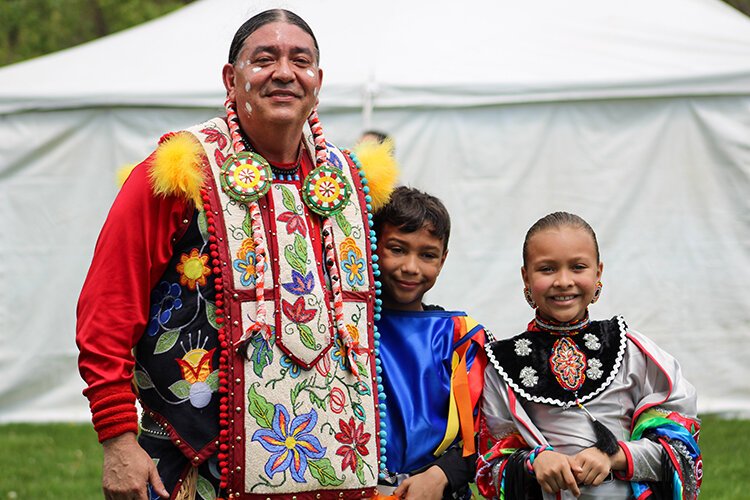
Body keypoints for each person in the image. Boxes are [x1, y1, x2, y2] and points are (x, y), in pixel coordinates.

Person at [76, 9, 397, 500]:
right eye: (264, 59)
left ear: (318, 80)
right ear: (231, 78)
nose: (284, 72)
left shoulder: (349, 181)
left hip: (337, 471)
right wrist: (117, 438)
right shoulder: (181, 171)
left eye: (301, 60)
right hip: (195, 464)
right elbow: (108, 307)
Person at [476, 212, 702, 499]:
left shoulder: (631, 350)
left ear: (598, 273)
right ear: (526, 276)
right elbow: (490, 463)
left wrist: (617, 456)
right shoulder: (504, 364)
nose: (563, 281)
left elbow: (681, 443)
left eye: (578, 267)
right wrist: (535, 461)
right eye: (547, 269)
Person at [372, 187, 488, 499]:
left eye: (427, 255)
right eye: (397, 249)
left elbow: (482, 430)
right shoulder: (348, 330)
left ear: (443, 259)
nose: (411, 267)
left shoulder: (460, 336)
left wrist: (440, 475)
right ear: (372, 245)